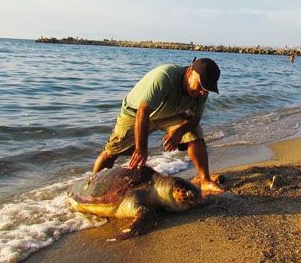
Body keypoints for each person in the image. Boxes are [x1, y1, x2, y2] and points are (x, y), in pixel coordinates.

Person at [92, 58, 225, 195]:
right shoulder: (165, 77)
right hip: (135, 113)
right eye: (201, 85)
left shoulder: (202, 93)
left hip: (168, 114)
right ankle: (91, 186)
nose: (203, 92)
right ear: (190, 72)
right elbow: (142, 112)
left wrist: (179, 132)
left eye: (207, 88)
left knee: (194, 133)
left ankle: (205, 180)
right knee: (111, 153)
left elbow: (194, 119)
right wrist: (141, 148)